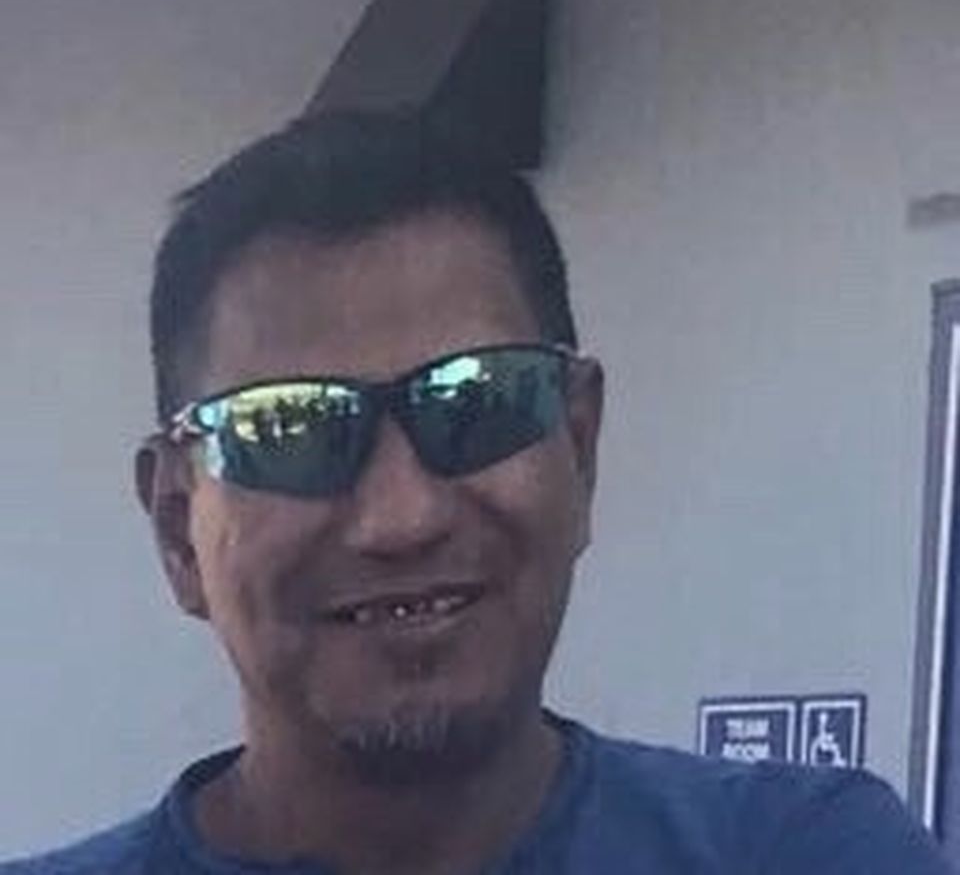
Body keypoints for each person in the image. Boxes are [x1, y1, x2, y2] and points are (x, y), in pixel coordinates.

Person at [3, 112, 952, 874]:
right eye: (293, 428)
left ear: (580, 446)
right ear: (177, 527)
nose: (401, 517)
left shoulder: (805, 852)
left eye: (480, 402)